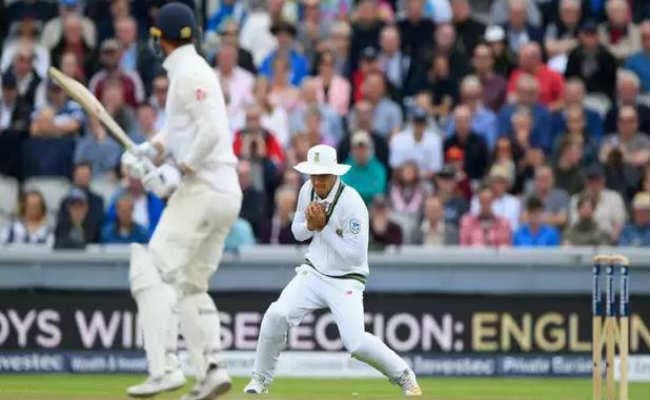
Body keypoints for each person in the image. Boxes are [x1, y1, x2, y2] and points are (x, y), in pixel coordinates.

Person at [120, 4, 242, 399]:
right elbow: (178, 129)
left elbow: (212, 131)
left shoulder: (190, 73)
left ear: (162, 40)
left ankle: (164, 368)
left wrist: (178, 170)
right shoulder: (189, 72)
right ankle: (211, 369)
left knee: (150, 270)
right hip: (223, 193)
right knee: (190, 284)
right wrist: (149, 150)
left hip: (204, 188)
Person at [245, 144, 422, 396]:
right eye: (314, 175)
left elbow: (354, 256)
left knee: (355, 343)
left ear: (335, 174)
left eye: (323, 175)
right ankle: (260, 379)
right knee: (276, 315)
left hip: (347, 279)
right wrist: (311, 225)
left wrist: (323, 227)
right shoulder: (307, 190)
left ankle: (403, 374)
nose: (317, 181)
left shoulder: (352, 203)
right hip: (313, 272)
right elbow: (297, 232)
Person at [569, 164, 626, 240]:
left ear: (604, 180)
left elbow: (619, 223)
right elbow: (574, 224)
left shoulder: (614, 197)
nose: (594, 183)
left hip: (606, 240)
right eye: (591, 180)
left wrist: (612, 241)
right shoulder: (576, 199)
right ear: (586, 181)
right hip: (581, 239)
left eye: (598, 179)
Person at [565, 20, 618, 100]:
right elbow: (569, 78)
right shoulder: (574, 55)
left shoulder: (607, 56)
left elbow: (611, 82)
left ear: (598, 36)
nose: (590, 38)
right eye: (586, 34)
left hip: (601, 95)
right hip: (577, 95)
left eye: (592, 34)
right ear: (580, 36)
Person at [390, 108, 443, 179]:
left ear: (426, 124)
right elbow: (395, 167)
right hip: (403, 178)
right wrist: (411, 174)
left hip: (426, 179)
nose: (419, 126)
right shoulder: (398, 139)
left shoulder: (435, 140)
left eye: (421, 123)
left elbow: (436, 168)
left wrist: (417, 174)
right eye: (416, 122)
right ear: (411, 123)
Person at [341, 130, 387, 205]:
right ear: (351, 150)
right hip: (351, 206)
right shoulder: (345, 168)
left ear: (370, 149)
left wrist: (358, 192)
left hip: (372, 207)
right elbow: (344, 191)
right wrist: (368, 193)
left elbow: (378, 191)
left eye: (363, 148)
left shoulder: (378, 168)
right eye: (357, 148)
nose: (360, 152)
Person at [625, 21, 650, 92]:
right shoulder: (632, 60)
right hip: (641, 96)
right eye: (645, 38)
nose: (648, 42)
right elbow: (627, 84)